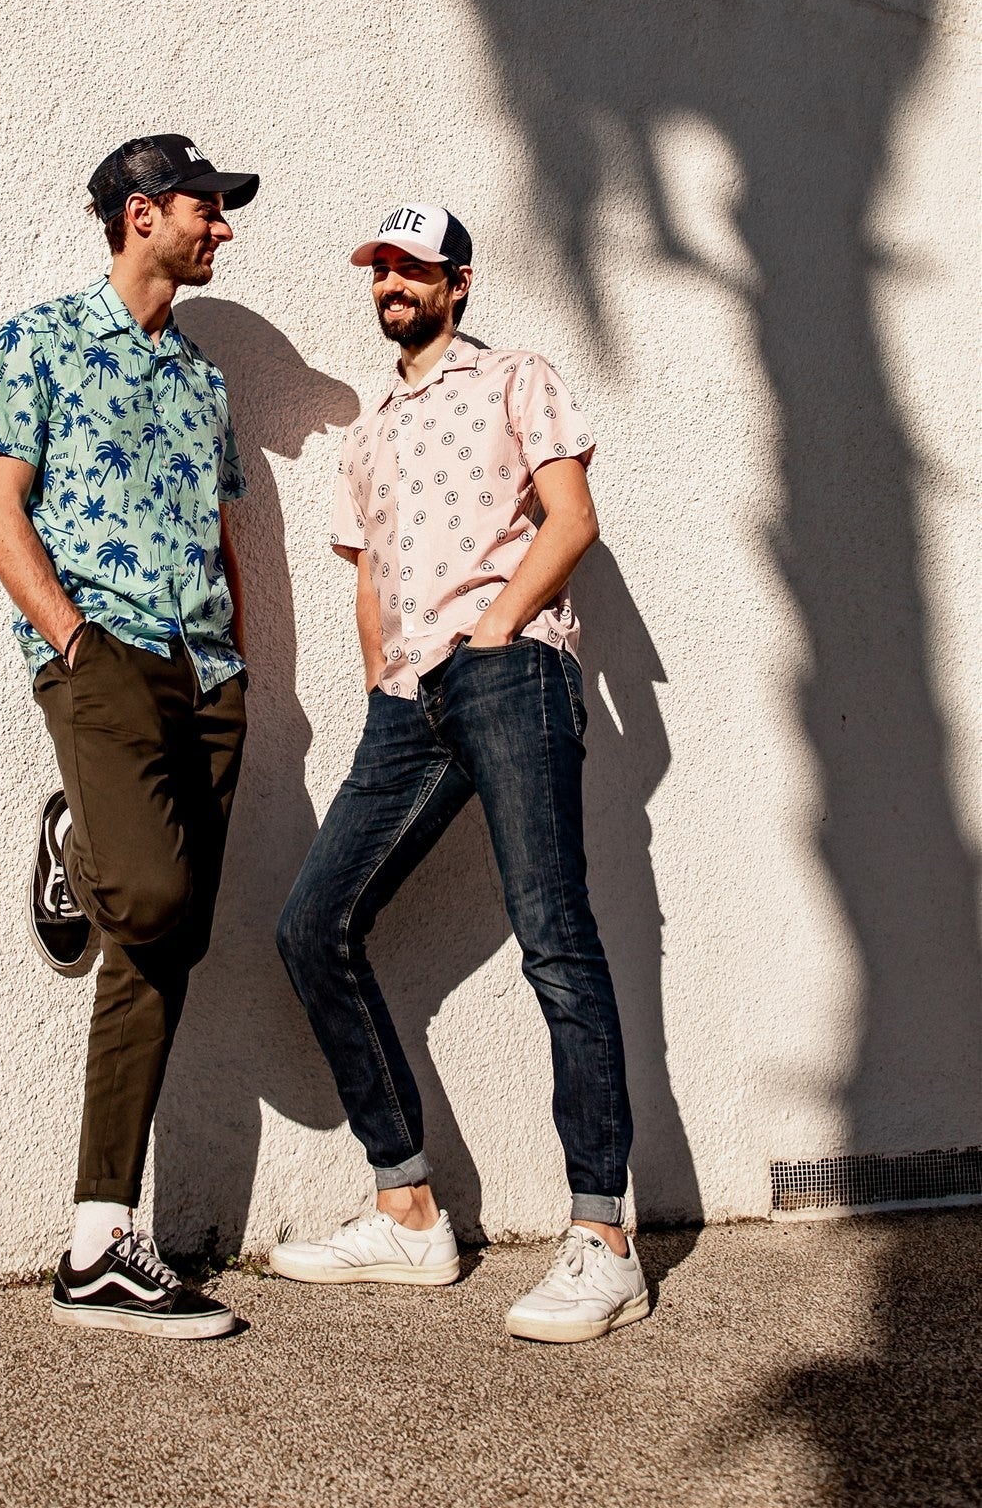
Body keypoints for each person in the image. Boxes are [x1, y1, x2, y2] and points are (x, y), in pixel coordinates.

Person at [271, 202, 649, 1344]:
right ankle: (408, 1210)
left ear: (459, 282)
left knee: (555, 937)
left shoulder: (517, 376)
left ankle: (604, 1239)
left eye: (414, 267)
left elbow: (571, 519)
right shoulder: (367, 431)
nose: (392, 283)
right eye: (381, 268)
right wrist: (381, 679)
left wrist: (496, 630)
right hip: (407, 702)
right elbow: (367, 573)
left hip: (509, 670)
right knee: (312, 925)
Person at [0, 133, 258, 1340]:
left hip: (208, 670)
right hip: (105, 652)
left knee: (164, 943)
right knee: (146, 889)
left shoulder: (204, 380)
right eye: (208, 207)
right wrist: (73, 638)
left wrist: (240, 663)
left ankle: (97, 1243)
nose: (222, 228)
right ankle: (78, 841)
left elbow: (222, 534)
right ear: (143, 213)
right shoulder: (39, 338)